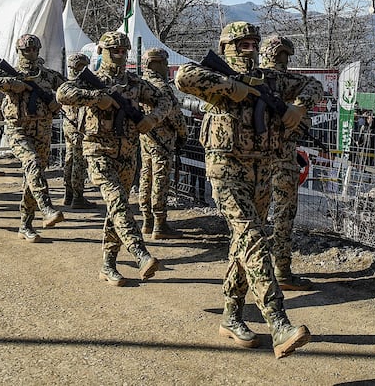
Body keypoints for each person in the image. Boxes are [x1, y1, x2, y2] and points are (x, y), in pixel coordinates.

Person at [175, 22, 311, 359]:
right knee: (251, 235)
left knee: (245, 243)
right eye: (241, 44)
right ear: (225, 47)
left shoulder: (270, 79)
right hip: (226, 168)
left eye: (254, 43)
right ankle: (278, 321)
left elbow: (313, 85)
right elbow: (183, 77)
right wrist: (229, 86)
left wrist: (299, 107)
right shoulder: (214, 77)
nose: (249, 49)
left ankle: (232, 315)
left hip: (261, 170)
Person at [56, 31, 168, 286]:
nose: (119, 55)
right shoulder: (91, 80)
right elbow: (62, 93)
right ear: (101, 52)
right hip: (97, 151)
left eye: (122, 51)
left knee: (116, 209)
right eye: (113, 50)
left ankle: (108, 264)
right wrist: (98, 98)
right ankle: (140, 253)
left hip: (127, 154)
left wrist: (152, 119)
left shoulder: (134, 83)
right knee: (117, 200)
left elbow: (164, 100)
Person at [0, 34, 65, 242]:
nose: (31, 54)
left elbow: (67, 90)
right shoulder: (10, 74)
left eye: (34, 50)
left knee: (33, 175)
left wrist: (57, 102)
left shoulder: (47, 75)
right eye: (26, 50)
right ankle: (46, 207)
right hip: (18, 130)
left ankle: (26, 223)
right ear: (19, 52)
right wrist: (9, 83)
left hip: (42, 131)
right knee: (32, 162)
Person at [259, 35, 324, 291]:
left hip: (254, 161)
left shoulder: (252, 78)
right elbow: (316, 87)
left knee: (255, 218)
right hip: (283, 159)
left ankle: (255, 270)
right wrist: (298, 108)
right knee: (284, 216)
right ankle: (282, 271)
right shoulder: (288, 82)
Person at [138, 47, 188, 239]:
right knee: (160, 179)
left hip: (146, 138)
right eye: (164, 62)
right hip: (163, 140)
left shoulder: (141, 84)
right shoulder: (162, 87)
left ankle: (147, 221)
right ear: (154, 64)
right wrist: (183, 135)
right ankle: (160, 224)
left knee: (146, 177)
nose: (166, 66)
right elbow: (175, 115)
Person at [61, 52, 97, 209]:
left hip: (68, 125)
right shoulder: (80, 86)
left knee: (69, 159)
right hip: (77, 127)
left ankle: (68, 194)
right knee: (78, 162)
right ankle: (77, 196)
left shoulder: (67, 85)